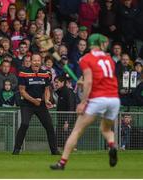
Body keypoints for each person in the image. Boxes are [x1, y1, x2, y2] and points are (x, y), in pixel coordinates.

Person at [50, 33, 120, 170]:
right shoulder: (109, 59)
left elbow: (89, 81)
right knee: (106, 129)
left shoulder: (86, 59)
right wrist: (83, 82)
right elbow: (101, 79)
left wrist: (82, 102)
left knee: (76, 131)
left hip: (97, 99)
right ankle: (112, 145)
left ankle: (62, 162)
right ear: (100, 44)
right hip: (113, 99)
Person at [12, 53, 60, 155]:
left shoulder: (45, 73)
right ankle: (16, 149)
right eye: (34, 61)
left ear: (40, 62)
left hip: (40, 104)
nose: (36, 63)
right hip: (27, 104)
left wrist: (46, 100)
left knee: (50, 126)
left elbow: (47, 90)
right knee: (24, 124)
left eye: (38, 61)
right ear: (30, 62)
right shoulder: (23, 73)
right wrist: (33, 100)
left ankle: (54, 151)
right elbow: (22, 91)